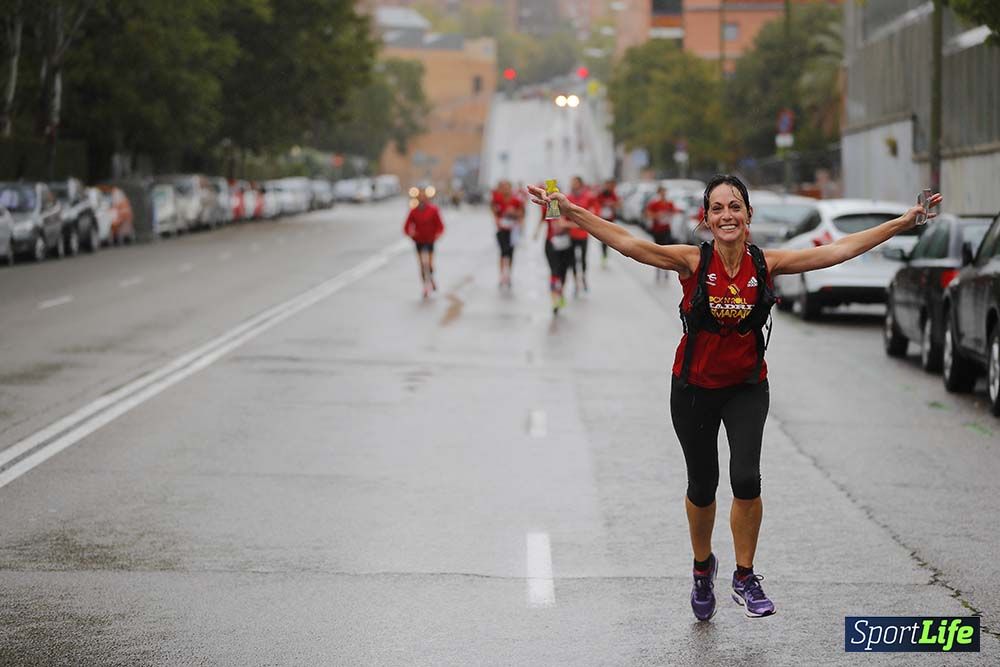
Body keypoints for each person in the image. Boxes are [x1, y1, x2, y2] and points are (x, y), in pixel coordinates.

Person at [528, 174, 942, 621]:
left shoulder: (766, 264)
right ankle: (703, 567)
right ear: (705, 219)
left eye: (735, 207)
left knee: (746, 478)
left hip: (746, 387)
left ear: (748, 216)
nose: (727, 215)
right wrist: (569, 211)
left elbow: (836, 251)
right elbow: (628, 243)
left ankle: (745, 576)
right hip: (693, 389)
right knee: (702, 488)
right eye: (718, 208)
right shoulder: (691, 261)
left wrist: (902, 222)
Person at [533, 188, 576, 315]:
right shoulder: (550, 205)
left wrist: (568, 225)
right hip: (551, 244)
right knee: (554, 272)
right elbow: (548, 221)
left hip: (566, 244)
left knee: (563, 272)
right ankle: (554, 300)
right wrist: (536, 231)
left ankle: (560, 292)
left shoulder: (568, 206)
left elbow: (574, 222)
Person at [403, 188, 445, 299]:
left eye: (424, 197)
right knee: (422, 265)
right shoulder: (413, 211)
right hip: (419, 240)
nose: (422, 199)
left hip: (430, 240)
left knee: (429, 264)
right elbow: (406, 227)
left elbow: (440, 225)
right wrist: (411, 234)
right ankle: (425, 287)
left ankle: (431, 278)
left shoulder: (433, 210)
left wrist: (438, 234)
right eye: (420, 197)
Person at [566, 176, 598, 294]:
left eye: (575, 182)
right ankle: (576, 282)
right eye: (572, 182)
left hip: (583, 233)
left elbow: (595, 210)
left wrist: (590, 220)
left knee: (583, 258)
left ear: (580, 184)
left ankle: (583, 277)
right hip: (571, 234)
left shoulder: (588, 196)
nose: (573, 184)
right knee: (572, 259)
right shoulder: (568, 197)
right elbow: (564, 215)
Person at [490, 180, 525, 289]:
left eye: (507, 187)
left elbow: (522, 213)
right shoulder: (497, 198)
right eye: (503, 187)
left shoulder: (516, 200)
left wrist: (513, 213)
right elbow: (493, 210)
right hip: (502, 229)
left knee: (510, 253)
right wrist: (496, 219)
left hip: (513, 230)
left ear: (511, 188)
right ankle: (501, 275)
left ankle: (508, 274)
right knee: (502, 252)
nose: (505, 189)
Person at [644, 185, 678, 282]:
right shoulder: (654, 204)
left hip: (666, 229)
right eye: (662, 192)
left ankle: (666, 270)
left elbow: (674, 211)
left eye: (665, 192)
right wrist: (657, 215)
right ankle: (658, 269)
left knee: (666, 250)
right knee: (658, 249)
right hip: (657, 230)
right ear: (659, 193)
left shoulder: (669, 203)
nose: (663, 194)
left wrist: (670, 214)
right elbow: (648, 214)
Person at [595, 179, 621, 268]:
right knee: (603, 239)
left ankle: (605, 254)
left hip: (610, 219)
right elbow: (596, 203)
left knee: (608, 239)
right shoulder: (601, 194)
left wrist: (613, 205)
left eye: (611, 185)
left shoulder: (613, 195)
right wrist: (602, 205)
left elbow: (618, 205)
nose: (609, 187)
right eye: (607, 185)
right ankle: (603, 255)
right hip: (601, 219)